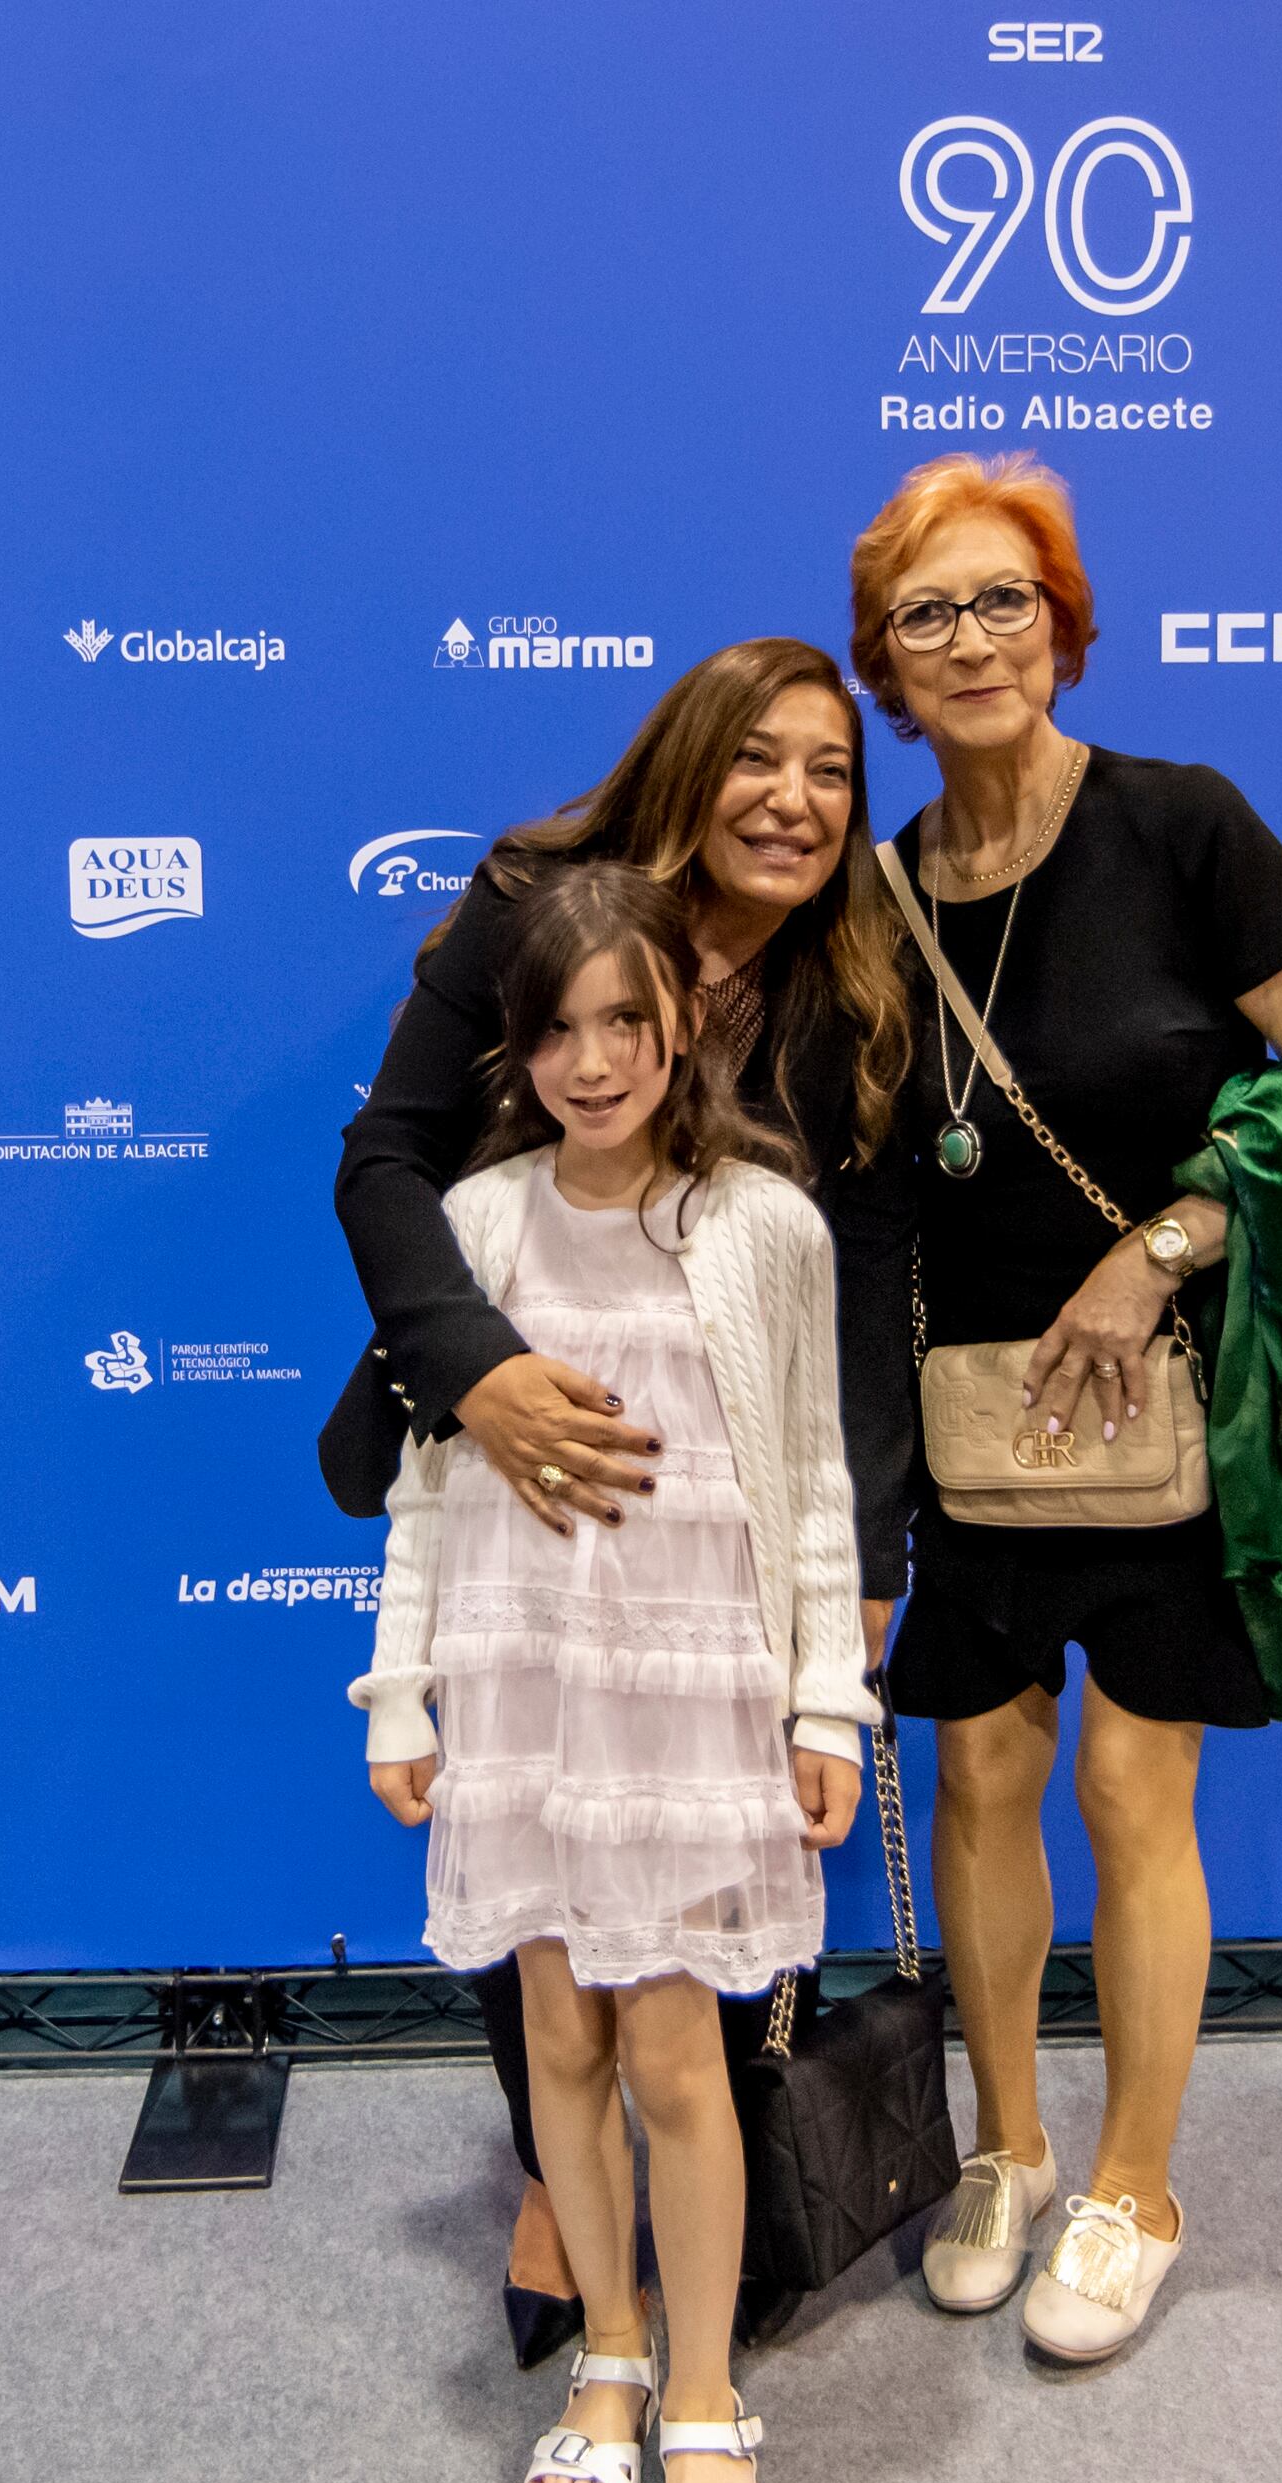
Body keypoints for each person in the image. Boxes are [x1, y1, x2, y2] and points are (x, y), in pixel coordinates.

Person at [851, 451, 1282, 2363]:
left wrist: (1163, 1241)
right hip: (972, 1427)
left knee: (1126, 1784)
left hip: (1168, 1407)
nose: (970, 639)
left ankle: (1138, 2182)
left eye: (1003, 598)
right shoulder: (876, 899)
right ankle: (1003, 2149)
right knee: (986, 1777)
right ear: (886, 664)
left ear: (1063, 626)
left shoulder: (1185, 828)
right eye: (927, 613)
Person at [325, 640, 912, 2364]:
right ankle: (562, 2193)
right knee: (536, 1841)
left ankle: (688, 2215)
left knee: (685, 1868)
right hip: (507, 1461)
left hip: (714, 1526)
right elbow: (384, 1159)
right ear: (684, 763)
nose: (792, 802)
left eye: (828, 771)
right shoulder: (534, 904)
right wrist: (474, 1370)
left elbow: (842, 1319)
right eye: (756, 762)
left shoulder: (850, 978)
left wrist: (853, 1579)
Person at [355, 865, 873, 2483]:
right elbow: (428, 1482)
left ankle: (713, 2402)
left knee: (679, 2052)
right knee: (557, 2035)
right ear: (519, 1048)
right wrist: (402, 1688)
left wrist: (824, 1704)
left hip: (691, 1687)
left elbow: (812, 1482)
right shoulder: (480, 1222)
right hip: (522, 1680)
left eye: (624, 1026)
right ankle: (615, 2353)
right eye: (556, 1029)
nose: (591, 1061)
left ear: (680, 1031)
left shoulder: (763, 1225)